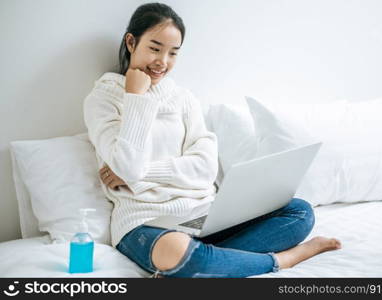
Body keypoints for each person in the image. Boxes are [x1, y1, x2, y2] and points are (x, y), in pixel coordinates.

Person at [83, 2, 341, 278]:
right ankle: (283, 260)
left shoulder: (183, 98)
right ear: (131, 42)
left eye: (173, 53)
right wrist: (136, 99)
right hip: (145, 222)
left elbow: (205, 170)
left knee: (299, 212)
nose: (163, 62)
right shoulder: (103, 99)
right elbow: (128, 167)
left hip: (203, 215)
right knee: (178, 250)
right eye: (155, 49)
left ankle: (203, 262)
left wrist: (140, 174)